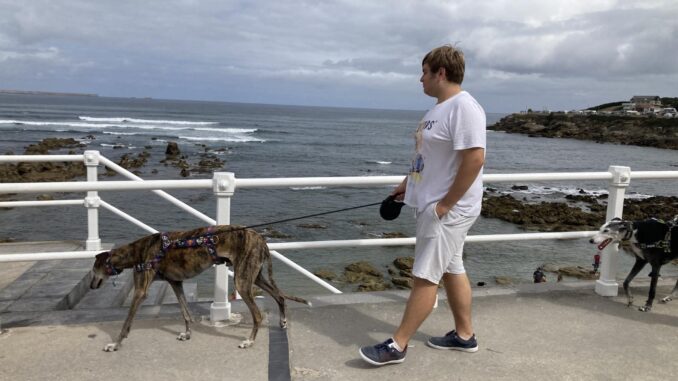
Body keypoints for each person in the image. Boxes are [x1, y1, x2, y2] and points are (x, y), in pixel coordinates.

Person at [359, 44, 486, 366]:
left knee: (425, 276)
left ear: (440, 73)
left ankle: (398, 345)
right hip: (431, 204)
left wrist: (445, 204)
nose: (420, 79)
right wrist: (405, 187)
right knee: (452, 268)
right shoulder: (436, 111)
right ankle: (464, 335)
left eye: (424, 72)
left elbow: (475, 158)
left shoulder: (464, 107)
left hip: (447, 210)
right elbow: (426, 159)